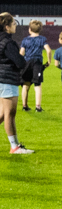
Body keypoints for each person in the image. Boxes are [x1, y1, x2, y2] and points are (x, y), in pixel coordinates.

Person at [0, 14, 32, 154]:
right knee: (10, 113)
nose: (16, 25)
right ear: (6, 26)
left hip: (2, 79)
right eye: (14, 23)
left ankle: (15, 146)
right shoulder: (8, 42)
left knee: (2, 114)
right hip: (7, 79)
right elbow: (19, 62)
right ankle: (14, 146)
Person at [19, 20, 50, 112]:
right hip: (37, 63)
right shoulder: (42, 39)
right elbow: (48, 50)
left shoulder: (25, 40)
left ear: (30, 29)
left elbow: (21, 53)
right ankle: (38, 107)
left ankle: (25, 106)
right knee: (37, 85)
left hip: (26, 63)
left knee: (25, 84)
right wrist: (49, 61)